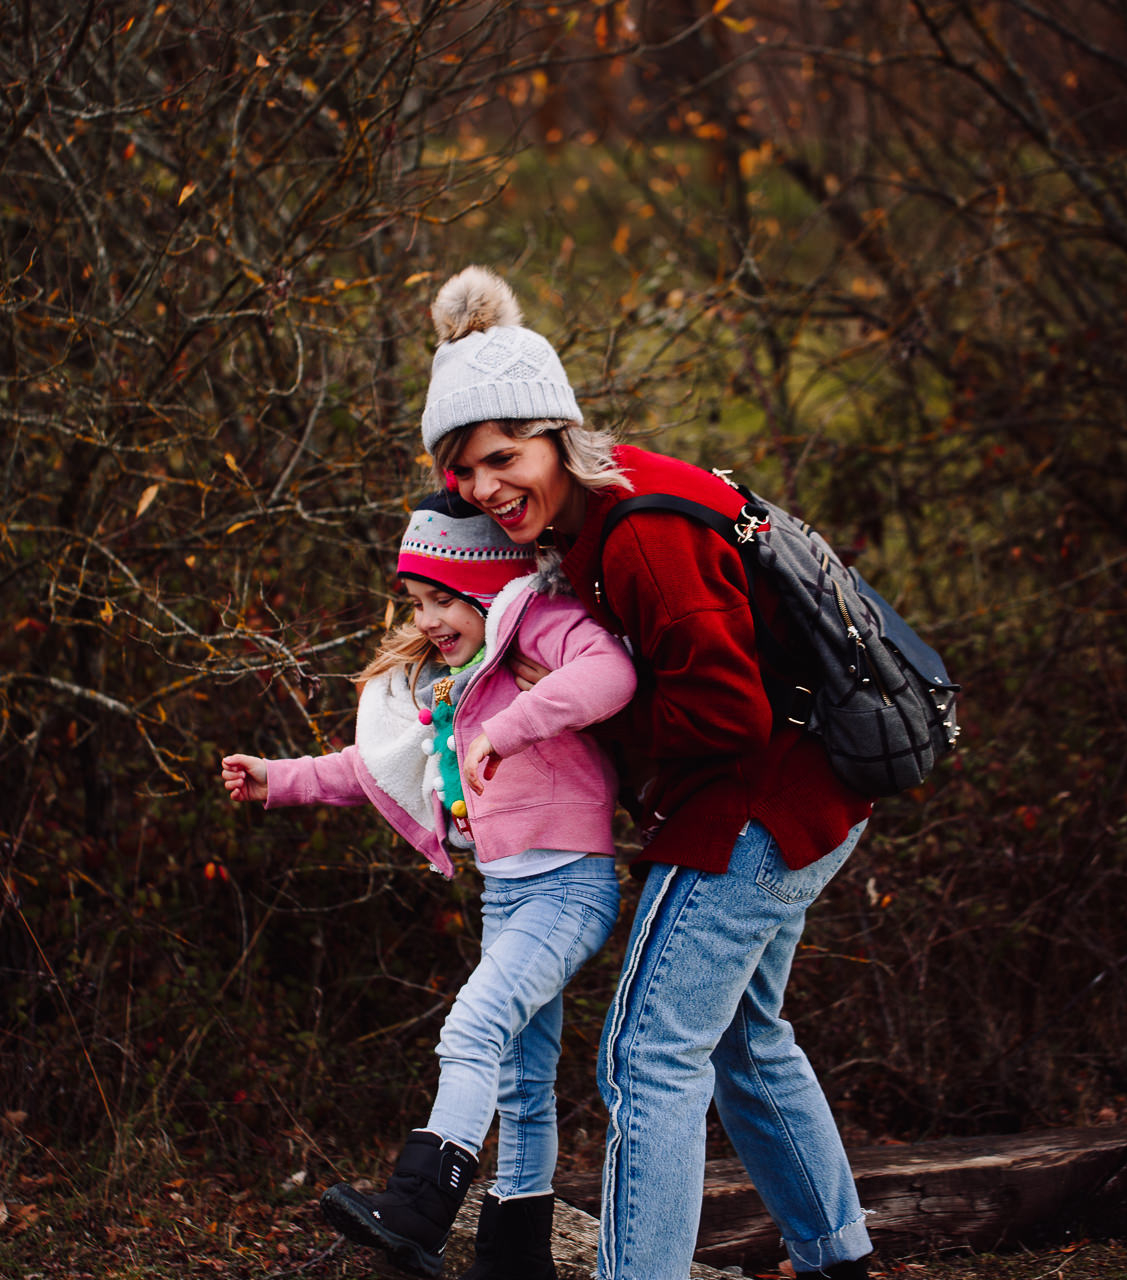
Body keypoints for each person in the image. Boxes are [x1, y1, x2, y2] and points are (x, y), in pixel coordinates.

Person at [417, 265, 877, 1280]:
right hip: (798, 794)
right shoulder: (596, 516)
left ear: (554, 433)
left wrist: (593, 715)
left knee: (645, 1056)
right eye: (465, 472)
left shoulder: (644, 532)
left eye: (503, 457)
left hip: (760, 800)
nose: (487, 489)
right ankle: (840, 1260)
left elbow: (727, 709)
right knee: (746, 1039)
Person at [221, 491, 636, 1280]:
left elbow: (611, 672)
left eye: (443, 598)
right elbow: (373, 766)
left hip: (570, 887)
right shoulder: (447, 680)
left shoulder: (536, 623)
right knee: (520, 1073)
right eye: (417, 603)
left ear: (488, 584)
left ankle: (421, 1205)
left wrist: (507, 729)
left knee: (473, 1030)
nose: (428, 620)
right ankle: (515, 1256)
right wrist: (278, 778)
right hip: (508, 894)